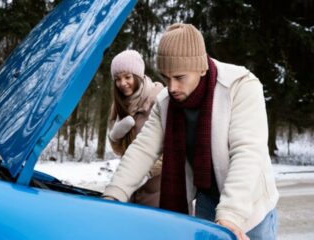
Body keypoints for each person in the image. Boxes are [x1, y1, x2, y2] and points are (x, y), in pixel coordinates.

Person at [103, 24, 279, 240]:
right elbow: (142, 150)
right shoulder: (166, 102)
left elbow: (247, 153)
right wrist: (114, 194)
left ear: (201, 67)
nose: (172, 87)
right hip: (207, 201)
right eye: (166, 78)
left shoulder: (240, 86)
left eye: (179, 77)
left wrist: (230, 216)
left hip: (249, 205)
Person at [108, 50, 164, 207]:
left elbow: (172, 149)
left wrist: (145, 171)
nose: (122, 83)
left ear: (138, 76)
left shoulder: (160, 101)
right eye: (117, 79)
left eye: (127, 77)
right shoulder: (118, 106)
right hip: (130, 188)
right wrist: (114, 138)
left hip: (158, 190)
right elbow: (120, 151)